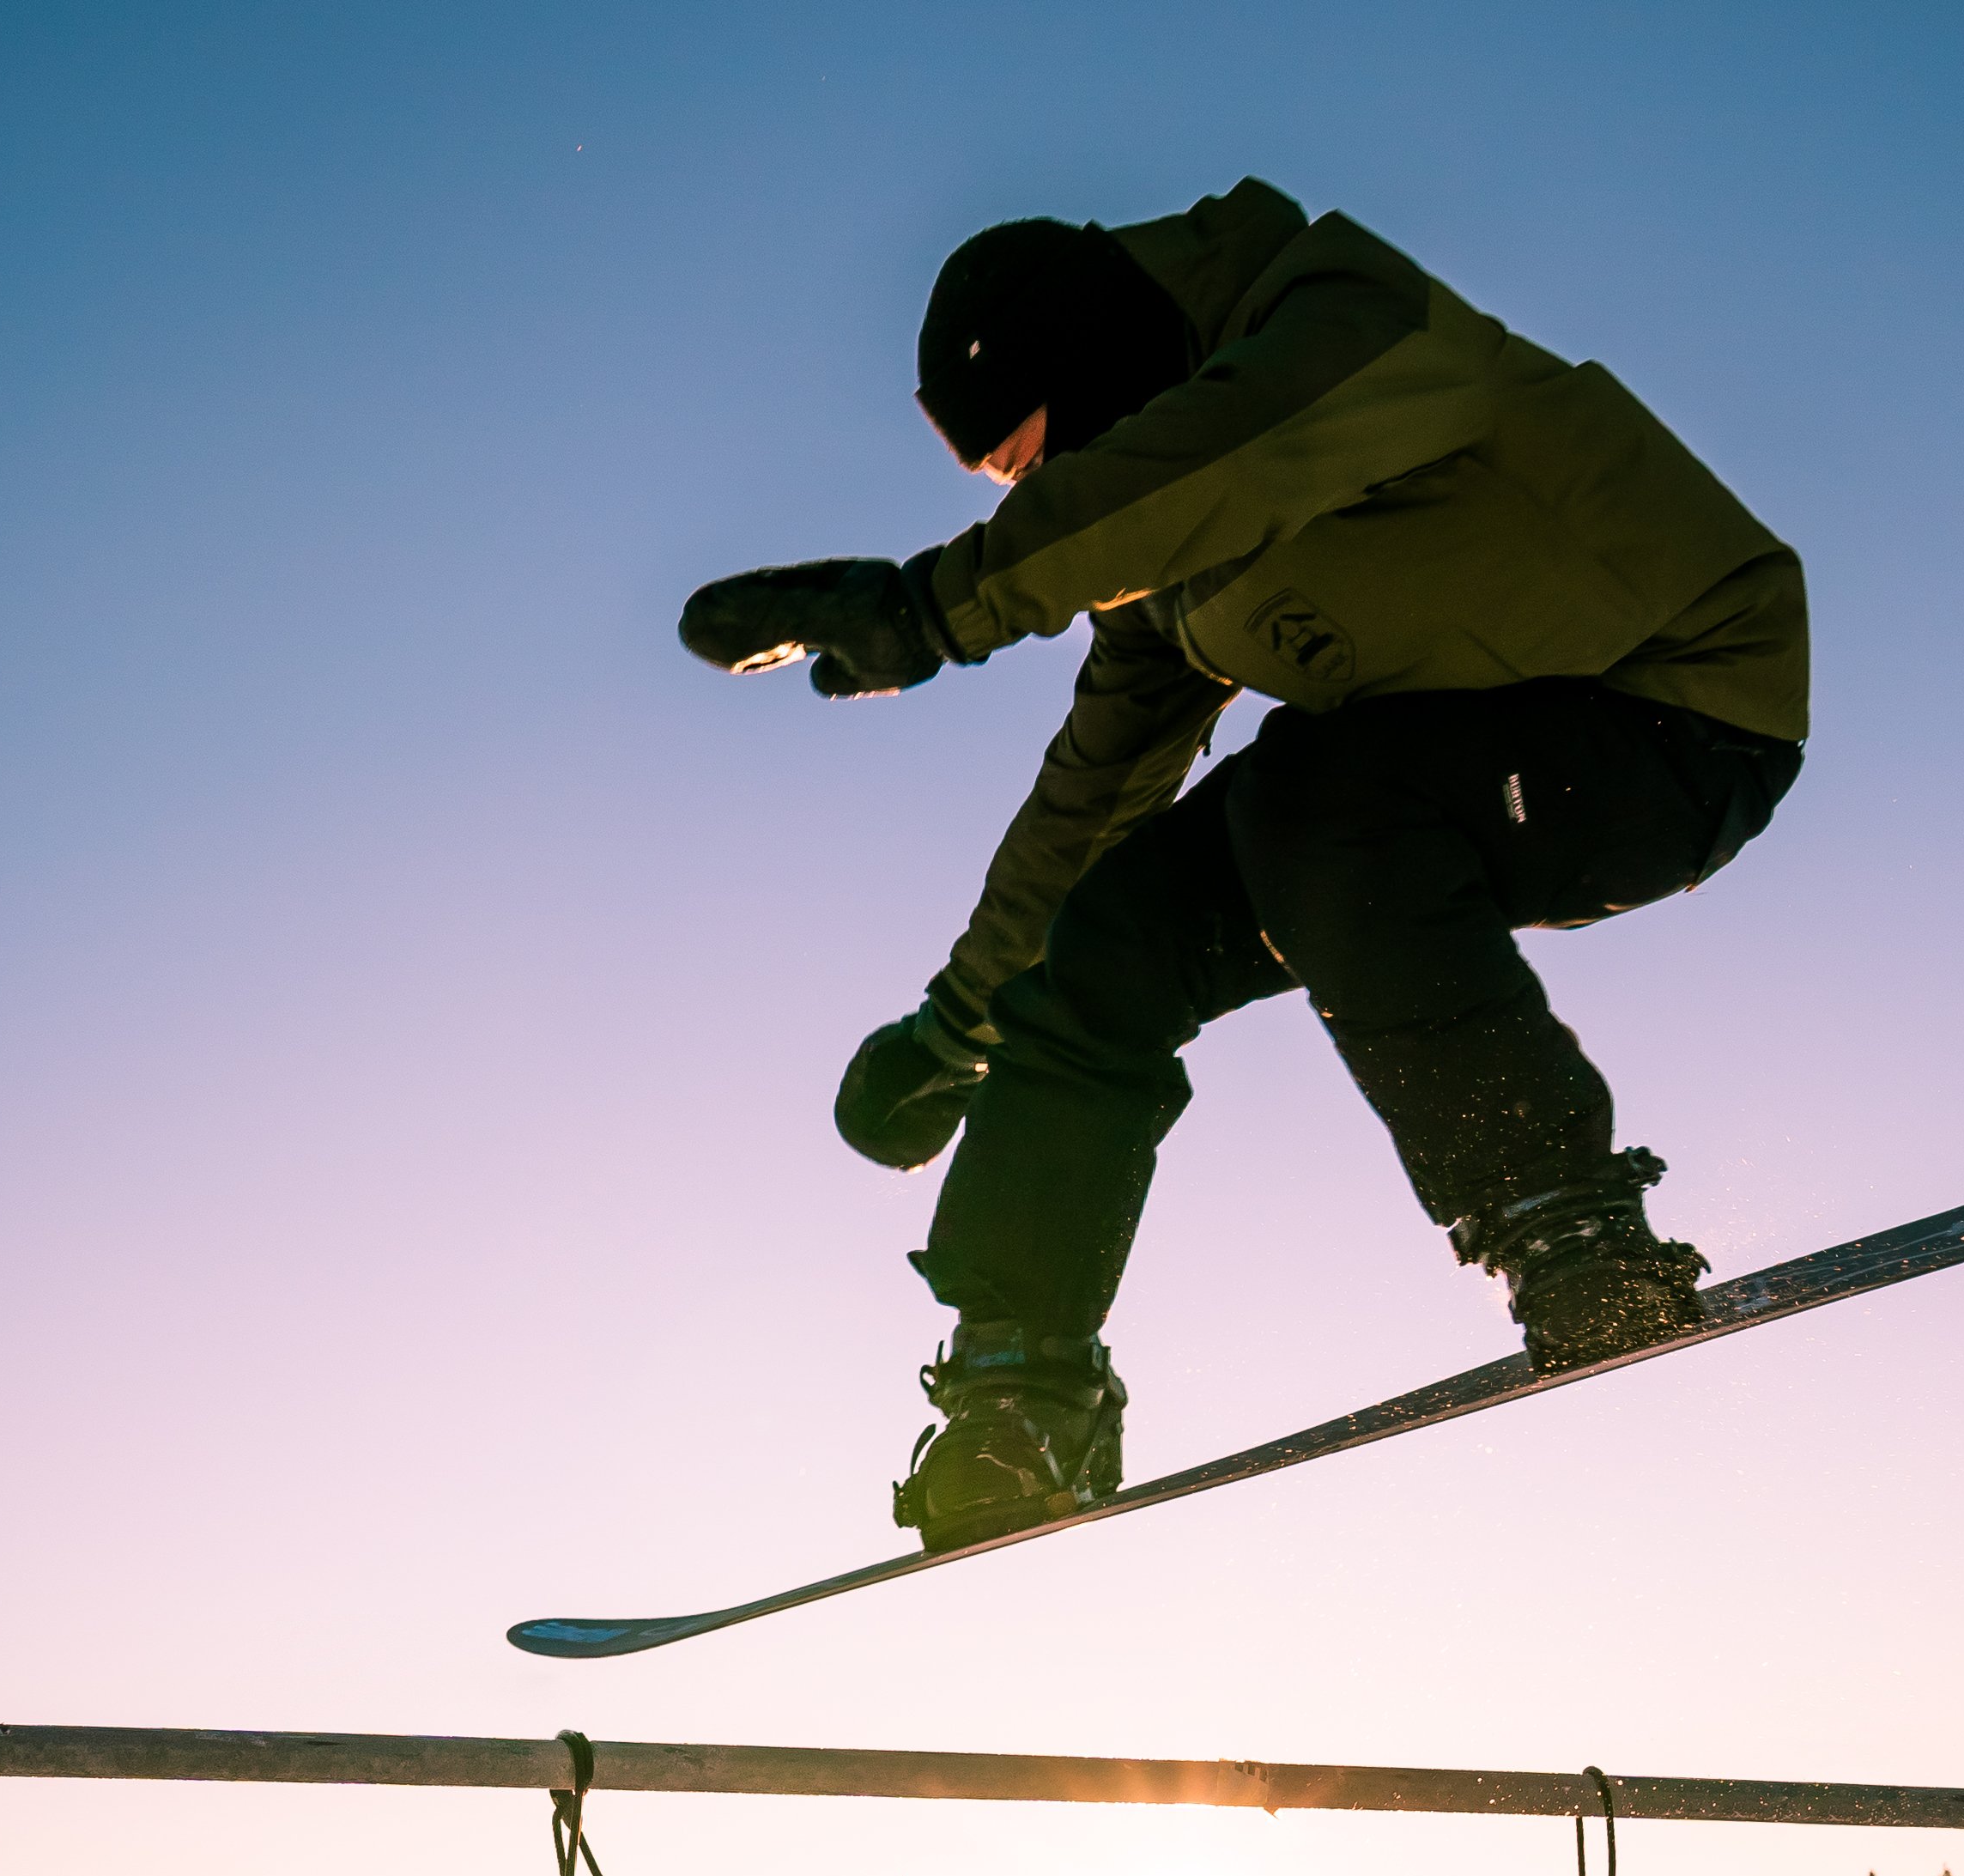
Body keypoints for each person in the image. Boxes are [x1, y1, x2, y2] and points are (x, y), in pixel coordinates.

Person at [682, 178, 1809, 1551]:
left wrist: (939, 602)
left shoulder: (1342, 316)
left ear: (1100, 367)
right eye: (1024, 487)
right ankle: (1018, 1385)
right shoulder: (1160, 573)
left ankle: (1560, 1216)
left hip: (1682, 712)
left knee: (1312, 799)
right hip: (1409, 788)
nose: (1052, 496)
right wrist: (961, 1020)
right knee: (1107, 935)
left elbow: (1229, 454)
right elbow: (1088, 800)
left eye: (1042, 463)